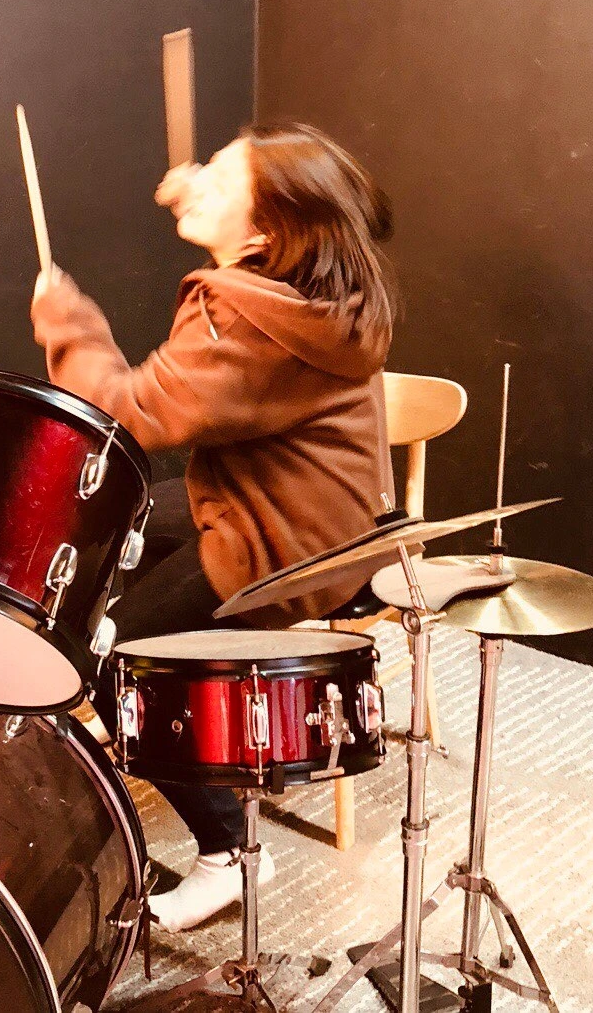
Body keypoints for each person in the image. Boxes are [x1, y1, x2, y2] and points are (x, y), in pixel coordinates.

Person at [30, 121, 396, 931]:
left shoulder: (249, 320)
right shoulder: (310, 289)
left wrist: (69, 324)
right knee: (108, 525)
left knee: (118, 658)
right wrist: (207, 192)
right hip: (305, 507)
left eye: (224, 181)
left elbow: (132, 409)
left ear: (263, 236)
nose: (200, 181)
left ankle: (228, 853)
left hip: (287, 544)